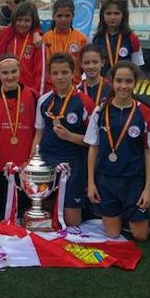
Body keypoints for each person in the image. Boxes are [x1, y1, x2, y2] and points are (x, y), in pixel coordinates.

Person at [85, 62, 150, 241]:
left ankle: (137, 218)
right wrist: (91, 183)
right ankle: (125, 215)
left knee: (140, 236)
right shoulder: (100, 110)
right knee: (112, 234)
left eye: (128, 81)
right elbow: (93, 147)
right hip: (106, 179)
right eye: (119, 81)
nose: (123, 86)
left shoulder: (145, 112)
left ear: (135, 83)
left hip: (133, 180)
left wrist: (148, 188)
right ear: (111, 81)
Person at [33, 52, 95, 226]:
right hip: (47, 159)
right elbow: (39, 133)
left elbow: (93, 142)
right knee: (42, 215)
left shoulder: (85, 102)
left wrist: (70, 136)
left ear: (73, 74)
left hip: (73, 162)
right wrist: (32, 160)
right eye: (55, 73)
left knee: (71, 222)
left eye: (64, 72)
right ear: (50, 75)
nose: (60, 77)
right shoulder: (44, 100)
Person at [0, 54, 39, 219]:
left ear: (20, 71)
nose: (10, 76)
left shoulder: (33, 96)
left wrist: (33, 160)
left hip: (26, 165)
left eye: (14, 71)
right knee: (0, 214)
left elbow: (39, 130)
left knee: (25, 213)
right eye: (5, 73)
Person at [89, 0, 144, 75]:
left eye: (116, 13)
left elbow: (136, 67)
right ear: (102, 15)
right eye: (108, 13)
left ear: (123, 15)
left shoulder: (133, 39)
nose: (112, 17)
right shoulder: (93, 39)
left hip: (123, 85)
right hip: (101, 86)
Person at [0, 2, 46, 96]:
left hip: (28, 92)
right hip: (6, 91)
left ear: (33, 21)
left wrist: (35, 96)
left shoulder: (37, 42)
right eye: (19, 20)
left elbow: (40, 73)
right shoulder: (8, 35)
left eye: (27, 20)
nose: (22, 24)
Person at [42, 0, 87, 85]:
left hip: (74, 86)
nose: (63, 19)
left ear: (73, 16)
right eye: (59, 16)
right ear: (53, 16)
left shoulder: (81, 39)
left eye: (67, 16)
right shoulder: (45, 38)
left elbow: (84, 66)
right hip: (51, 86)